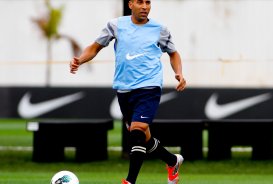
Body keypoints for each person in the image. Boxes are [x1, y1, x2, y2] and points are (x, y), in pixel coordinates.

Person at [70, 0, 187, 183]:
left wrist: (178, 73)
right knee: (144, 139)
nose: (145, 6)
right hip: (124, 90)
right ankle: (172, 161)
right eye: (140, 2)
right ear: (131, 4)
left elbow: (173, 53)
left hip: (149, 87)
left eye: (148, 2)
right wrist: (80, 60)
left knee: (137, 132)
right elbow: (95, 47)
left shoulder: (160, 29)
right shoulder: (115, 25)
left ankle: (130, 181)